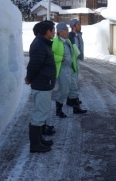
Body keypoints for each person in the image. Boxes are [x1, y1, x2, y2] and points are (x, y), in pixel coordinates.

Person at [25, 20, 56, 153]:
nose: (54, 32)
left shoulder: (42, 43)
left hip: (44, 83)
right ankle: (35, 145)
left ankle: (39, 139)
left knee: (42, 112)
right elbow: (34, 65)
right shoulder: (40, 45)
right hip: (41, 84)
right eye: (52, 29)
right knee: (40, 113)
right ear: (46, 32)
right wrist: (29, 78)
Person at [52, 22, 80, 118]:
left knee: (74, 88)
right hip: (63, 69)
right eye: (65, 31)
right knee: (64, 90)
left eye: (67, 30)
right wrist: (62, 58)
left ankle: (76, 107)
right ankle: (58, 110)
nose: (67, 32)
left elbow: (72, 54)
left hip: (71, 68)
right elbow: (51, 55)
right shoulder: (55, 42)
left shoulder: (67, 41)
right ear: (60, 32)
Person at [65, 19, 87, 114]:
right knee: (73, 83)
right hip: (72, 63)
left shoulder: (78, 35)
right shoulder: (71, 36)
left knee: (74, 81)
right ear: (73, 27)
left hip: (76, 61)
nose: (80, 26)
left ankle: (70, 100)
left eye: (80, 24)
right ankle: (75, 105)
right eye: (78, 24)